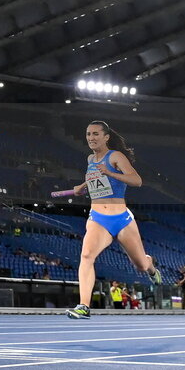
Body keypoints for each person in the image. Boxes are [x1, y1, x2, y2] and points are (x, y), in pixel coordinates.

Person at [67, 121, 161, 319]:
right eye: (88, 134)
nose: (91, 138)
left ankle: (150, 265)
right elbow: (96, 178)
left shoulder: (116, 157)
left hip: (122, 219)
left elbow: (137, 181)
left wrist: (110, 172)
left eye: (95, 134)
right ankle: (84, 306)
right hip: (98, 218)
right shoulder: (90, 159)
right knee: (86, 256)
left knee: (140, 266)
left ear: (106, 137)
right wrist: (82, 186)